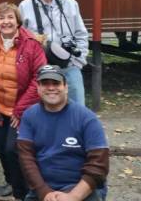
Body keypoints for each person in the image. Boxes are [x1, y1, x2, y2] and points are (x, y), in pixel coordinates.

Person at [0, 2, 46, 201]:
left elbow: (38, 77)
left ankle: (22, 193)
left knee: (13, 149)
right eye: (1, 18)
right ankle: (12, 183)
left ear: (17, 21)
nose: (6, 22)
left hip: (22, 110)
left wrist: (20, 110)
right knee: (0, 148)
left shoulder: (32, 44)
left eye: (10, 18)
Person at [18, 65, 109, 201]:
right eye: (45, 83)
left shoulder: (86, 117)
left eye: (56, 83)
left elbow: (99, 164)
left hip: (81, 188)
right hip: (43, 188)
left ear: (66, 87)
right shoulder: (29, 116)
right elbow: (26, 159)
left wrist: (73, 196)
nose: (51, 88)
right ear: (38, 87)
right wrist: (44, 192)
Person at [19, 0, 89, 105]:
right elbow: (20, 38)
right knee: (41, 110)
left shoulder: (70, 4)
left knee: (77, 109)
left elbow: (81, 34)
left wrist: (78, 62)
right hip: (39, 68)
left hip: (69, 65)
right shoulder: (24, 6)